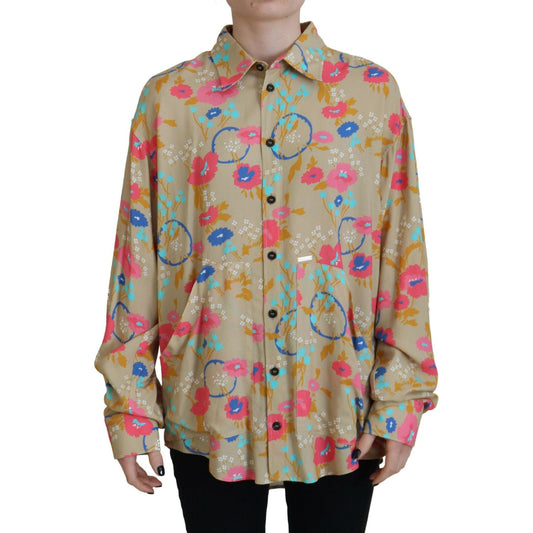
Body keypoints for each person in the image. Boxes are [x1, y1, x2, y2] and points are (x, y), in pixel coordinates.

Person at [94, 1, 439, 531]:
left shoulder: (371, 93)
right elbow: (137, 254)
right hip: (211, 399)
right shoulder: (170, 99)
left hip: (339, 399)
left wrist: (401, 398)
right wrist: (131, 404)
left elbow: (402, 250)